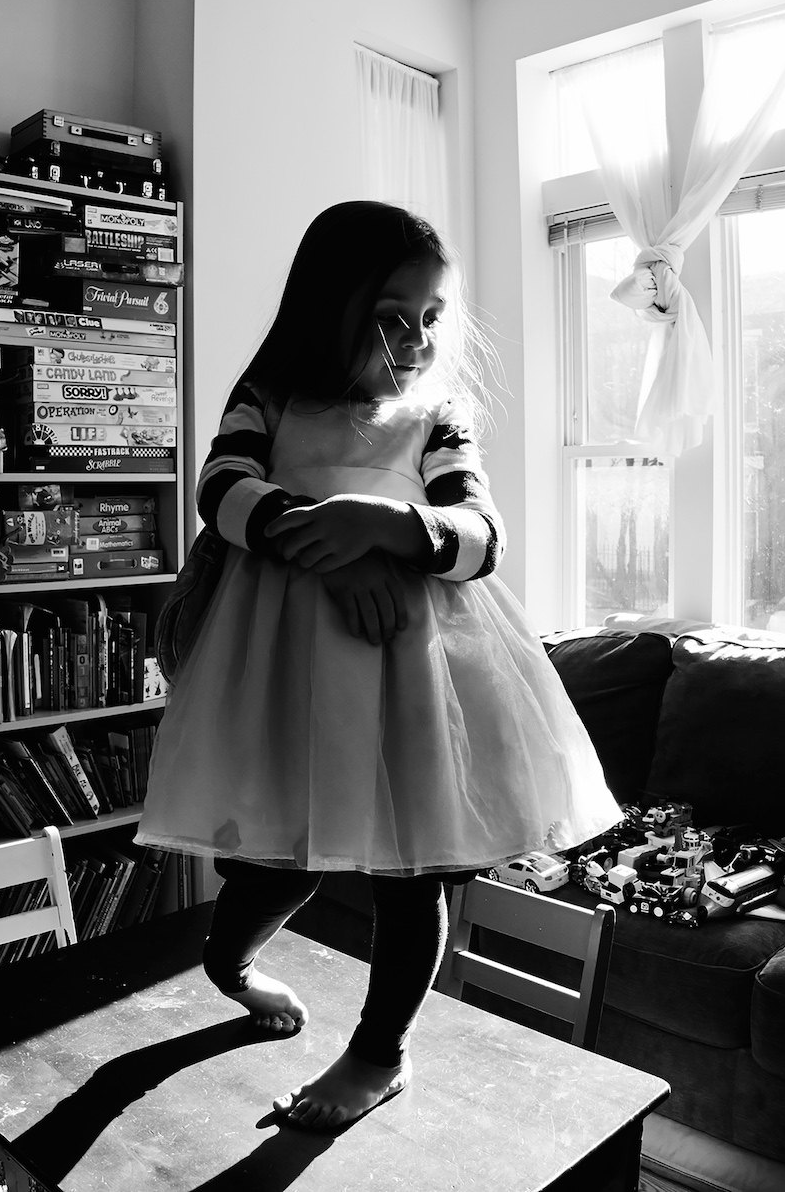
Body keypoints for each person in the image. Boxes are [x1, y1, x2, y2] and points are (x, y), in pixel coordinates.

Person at [135, 201, 622, 1131]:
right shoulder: (271, 393)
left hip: (409, 679)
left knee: (413, 879)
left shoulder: (437, 413)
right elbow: (221, 488)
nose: (417, 338)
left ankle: (378, 1054)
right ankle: (229, 963)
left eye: (433, 317)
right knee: (278, 858)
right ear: (329, 306)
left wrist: (393, 527)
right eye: (393, 314)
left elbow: (482, 534)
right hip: (285, 673)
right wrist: (338, 547)